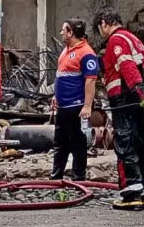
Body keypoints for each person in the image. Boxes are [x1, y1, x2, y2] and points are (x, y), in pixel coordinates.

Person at [93, 7, 144, 211]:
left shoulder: (116, 40)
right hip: (143, 99)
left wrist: (138, 90)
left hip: (126, 99)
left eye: (100, 27)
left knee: (126, 143)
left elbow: (127, 65)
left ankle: (131, 194)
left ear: (104, 23)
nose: (101, 32)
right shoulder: (134, 39)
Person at [50, 19, 98, 182]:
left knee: (77, 143)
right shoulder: (66, 50)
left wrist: (87, 106)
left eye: (64, 29)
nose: (61, 32)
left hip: (76, 106)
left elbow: (90, 80)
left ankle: (79, 178)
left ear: (71, 33)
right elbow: (62, 75)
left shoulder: (86, 53)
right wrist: (56, 96)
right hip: (63, 106)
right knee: (60, 142)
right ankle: (56, 177)